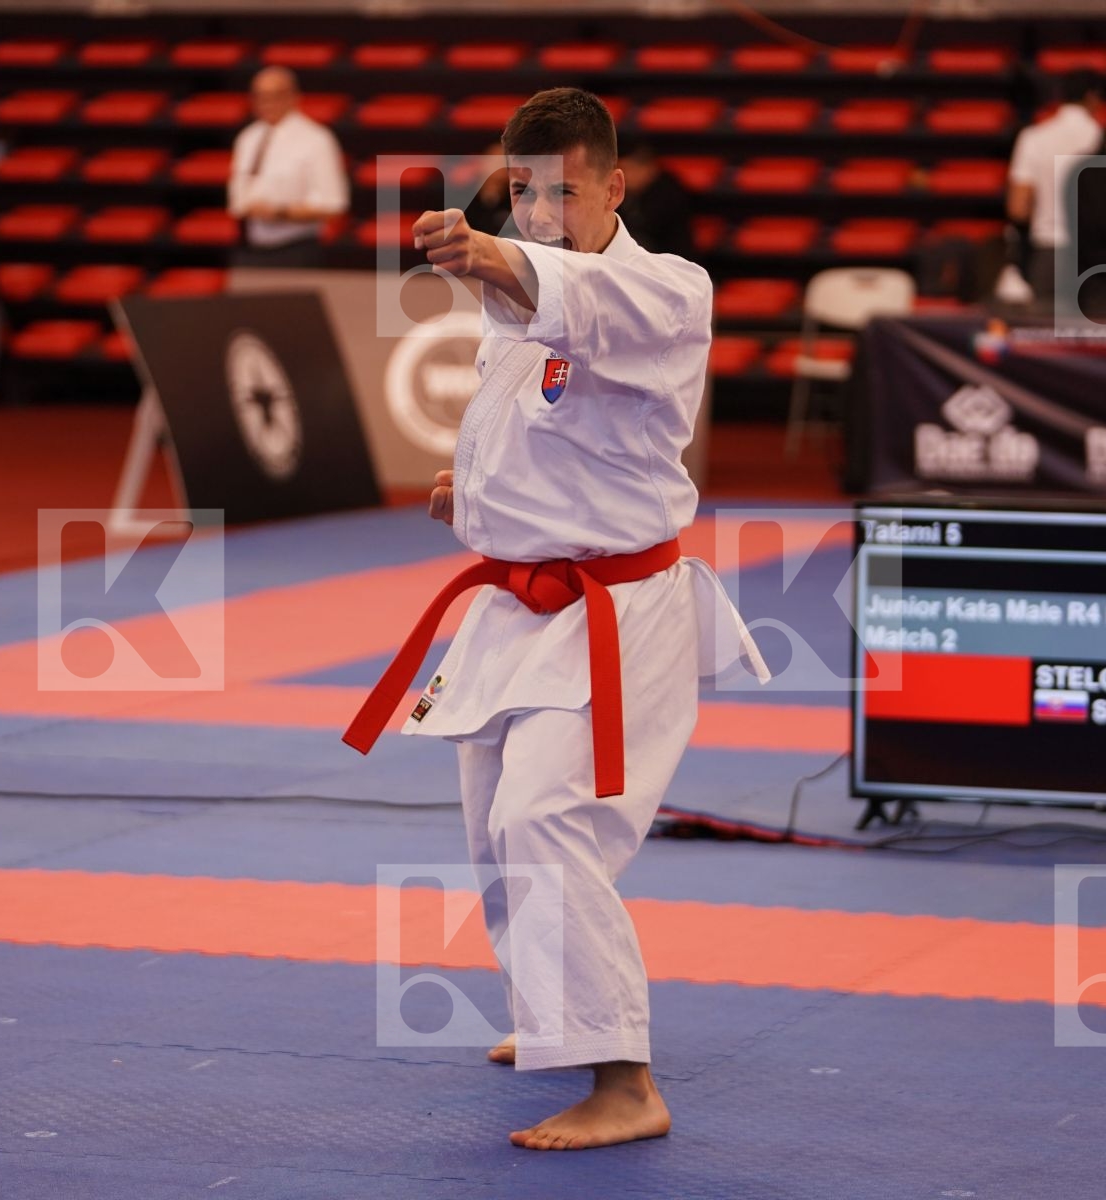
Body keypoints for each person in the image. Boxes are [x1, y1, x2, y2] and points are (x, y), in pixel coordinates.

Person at [342, 88, 768, 1152]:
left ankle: (624, 1079)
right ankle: (550, 1010)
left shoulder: (668, 292)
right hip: (519, 601)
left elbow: (550, 286)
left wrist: (476, 248)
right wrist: (475, 493)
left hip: (617, 613)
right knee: (491, 824)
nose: (538, 211)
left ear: (616, 187)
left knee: (547, 821)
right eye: (520, 189)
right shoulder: (517, 308)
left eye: (562, 190)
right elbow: (545, 425)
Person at [1006, 69, 1106, 302]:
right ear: (1093, 98)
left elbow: (1018, 208)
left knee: (1047, 337)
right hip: (1100, 259)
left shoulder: (1033, 138)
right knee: (1100, 337)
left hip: (1050, 253)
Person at [226, 66, 349, 269]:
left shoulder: (316, 139)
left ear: (293, 96)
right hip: (250, 247)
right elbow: (238, 192)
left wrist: (280, 212)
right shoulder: (248, 138)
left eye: (273, 96)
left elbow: (334, 203)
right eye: (259, 96)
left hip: (296, 251)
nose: (266, 103)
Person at [616, 142, 694, 260]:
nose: (624, 176)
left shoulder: (669, 193)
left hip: (670, 259)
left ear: (649, 169)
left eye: (629, 169)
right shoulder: (623, 193)